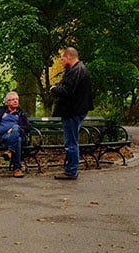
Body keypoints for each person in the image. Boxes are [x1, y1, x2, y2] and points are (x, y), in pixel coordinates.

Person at [49, 47, 93, 180]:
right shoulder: (78, 70)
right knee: (72, 141)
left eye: (62, 59)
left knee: (71, 143)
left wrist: (54, 89)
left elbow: (68, 90)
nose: (62, 62)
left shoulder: (77, 71)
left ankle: (71, 170)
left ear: (69, 57)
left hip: (73, 111)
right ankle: (70, 169)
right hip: (75, 111)